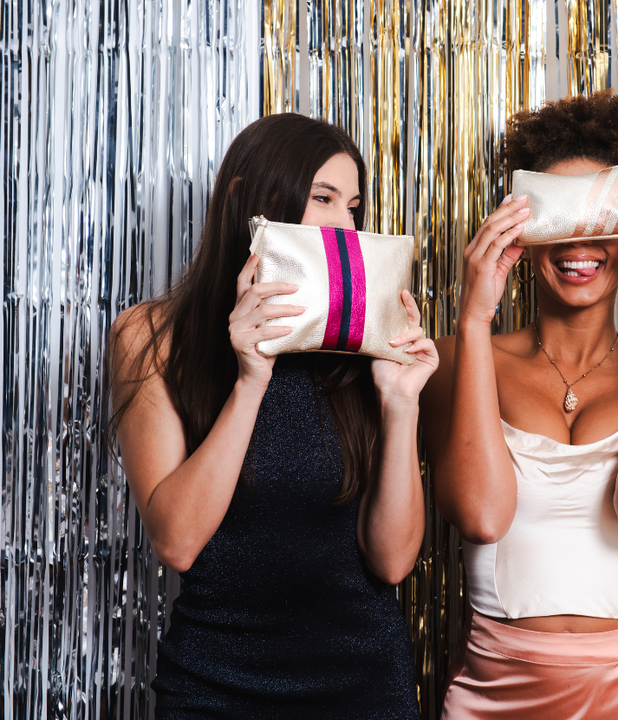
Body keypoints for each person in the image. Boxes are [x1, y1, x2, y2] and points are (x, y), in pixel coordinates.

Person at [109, 114, 435, 718]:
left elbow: (391, 561)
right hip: (212, 686)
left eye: (353, 207)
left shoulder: (365, 343)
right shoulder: (151, 338)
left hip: (362, 686)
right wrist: (251, 379)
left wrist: (400, 401)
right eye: (322, 198)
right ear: (247, 201)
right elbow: (177, 541)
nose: (344, 224)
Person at [420, 91, 618, 720]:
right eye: (559, 216)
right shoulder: (453, 360)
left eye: (600, 216)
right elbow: (479, 515)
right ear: (522, 232)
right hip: (501, 688)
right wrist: (474, 319)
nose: (578, 241)